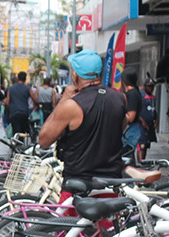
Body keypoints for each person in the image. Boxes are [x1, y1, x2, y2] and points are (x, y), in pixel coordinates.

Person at [38, 50, 128, 181]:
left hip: (78, 185)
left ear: (75, 75)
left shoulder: (71, 105)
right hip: (111, 183)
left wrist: (63, 100)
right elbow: (121, 127)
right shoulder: (121, 98)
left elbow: (44, 140)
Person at [4, 71, 36, 140]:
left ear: (18, 78)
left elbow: (7, 102)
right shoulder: (28, 88)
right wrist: (36, 106)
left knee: (16, 131)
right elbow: (35, 99)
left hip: (14, 113)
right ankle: (21, 144)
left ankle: (16, 144)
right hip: (24, 113)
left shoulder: (11, 88)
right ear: (25, 79)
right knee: (23, 131)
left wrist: (10, 108)